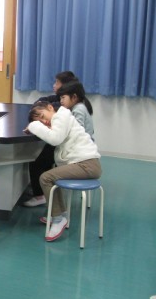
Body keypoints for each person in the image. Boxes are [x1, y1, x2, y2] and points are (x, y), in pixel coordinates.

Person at [25, 101, 101, 241]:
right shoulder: (61, 118)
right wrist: (39, 126)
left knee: (45, 178)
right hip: (85, 163)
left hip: (87, 165)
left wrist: (34, 125)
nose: (44, 121)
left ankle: (58, 219)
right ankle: (61, 215)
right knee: (53, 175)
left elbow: (55, 139)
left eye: (42, 116)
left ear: (50, 108)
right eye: (40, 121)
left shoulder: (61, 116)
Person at [23, 71, 79, 207]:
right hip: (66, 143)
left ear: (64, 86)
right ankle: (41, 188)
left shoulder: (64, 107)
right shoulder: (61, 99)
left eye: (57, 83)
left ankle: (39, 195)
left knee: (36, 161)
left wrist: (34, 125)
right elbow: (42, 101)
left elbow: (55, 139)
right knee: (44, 156)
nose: (54, 85)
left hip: (68, 147)